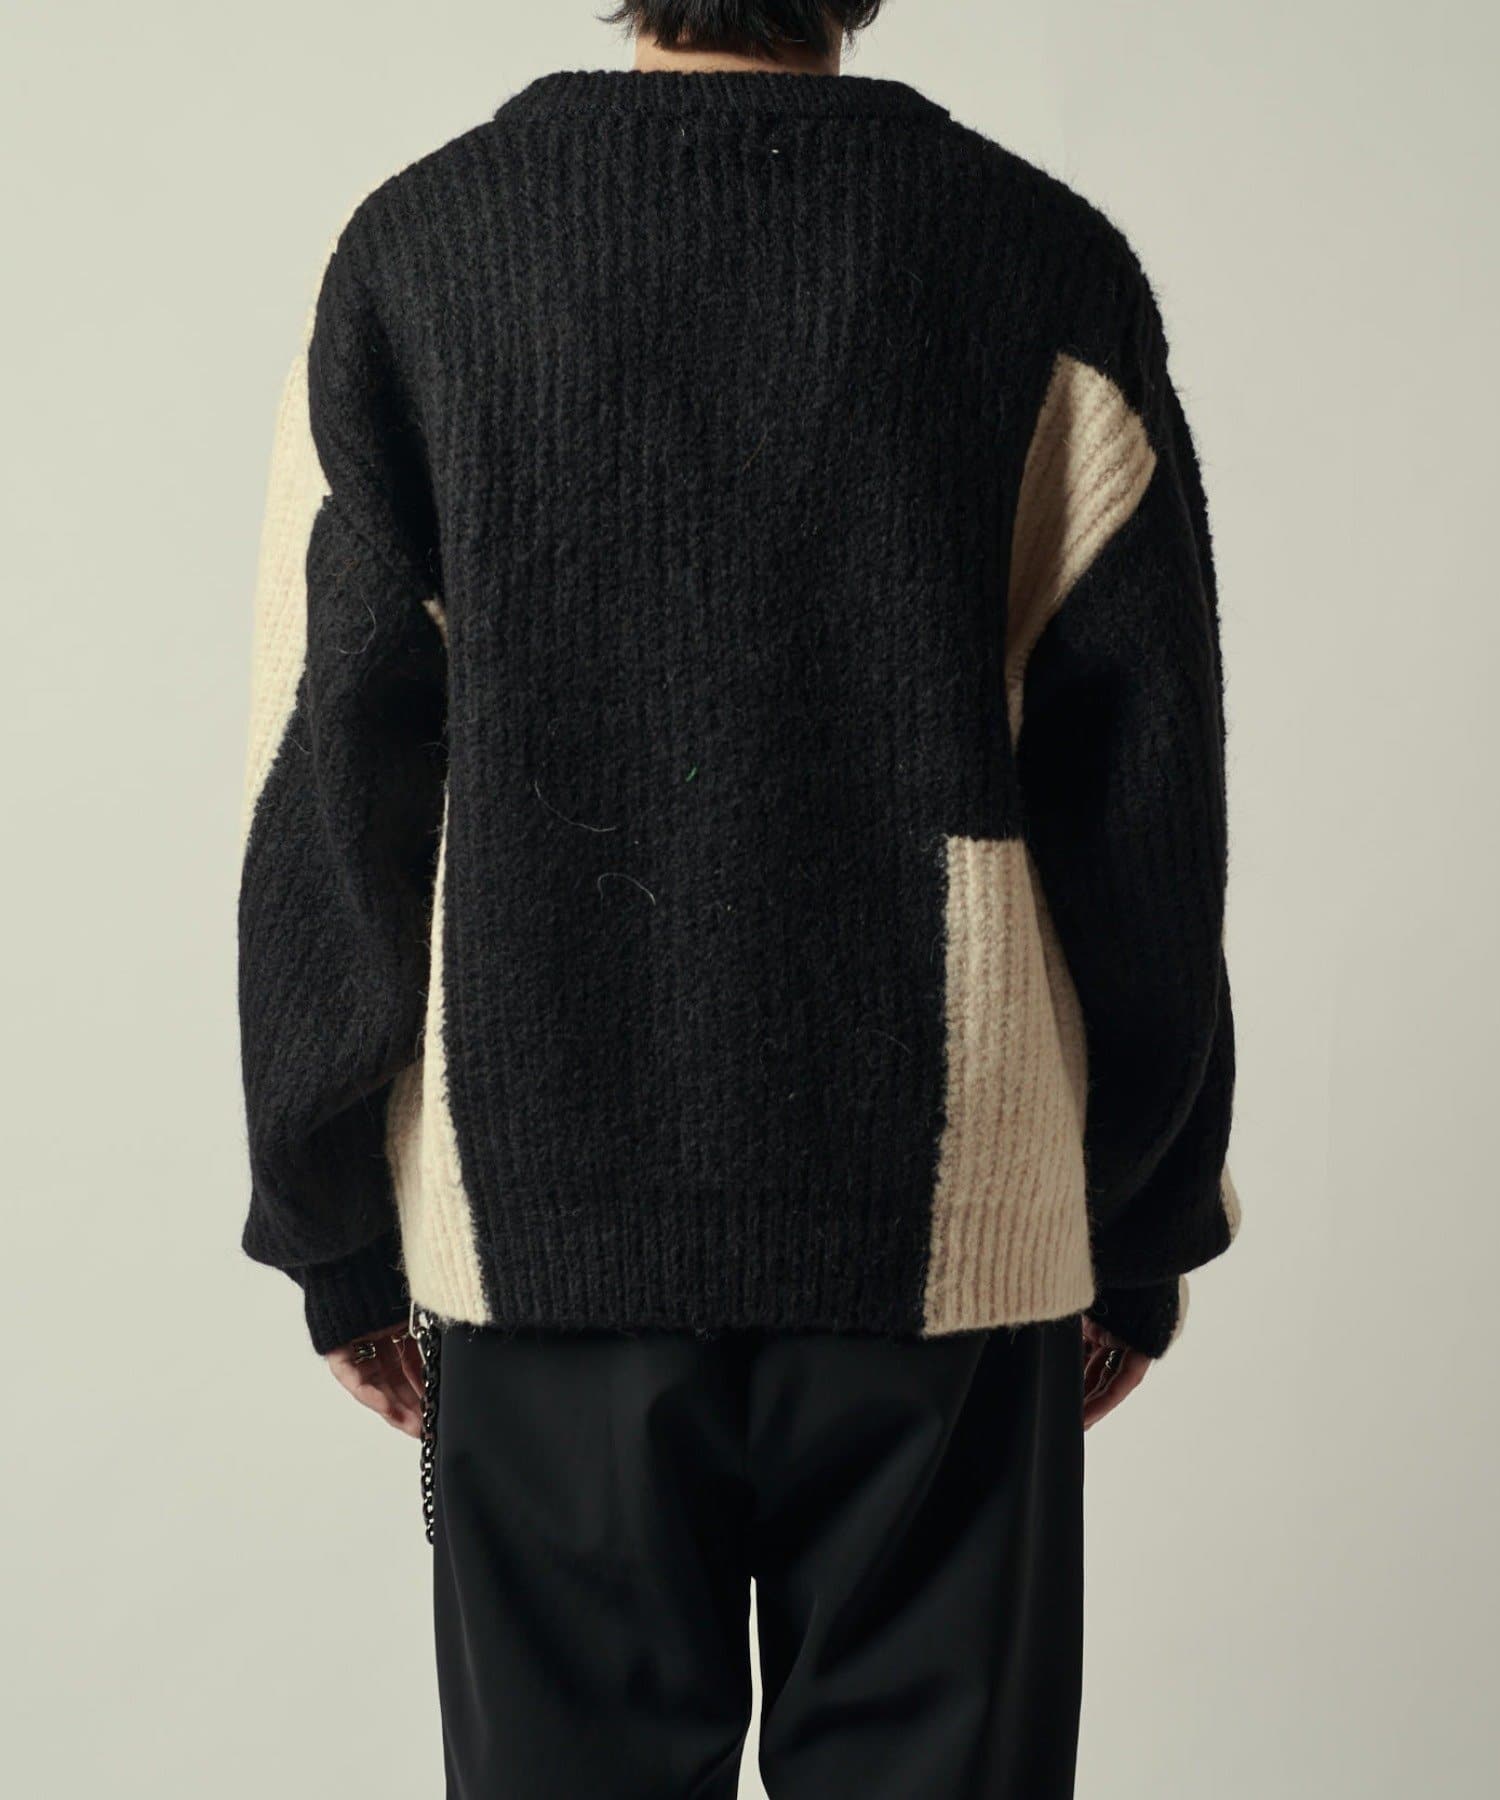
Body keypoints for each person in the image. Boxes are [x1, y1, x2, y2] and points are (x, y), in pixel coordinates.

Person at [235, 2, 1240, 1793]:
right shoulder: (1037, 259)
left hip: (539, 1219)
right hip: (949, 1240)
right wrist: (1139, 1220)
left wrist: (334, 1225)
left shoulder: (419, 256)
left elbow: (327, 777)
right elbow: (1145, 801)